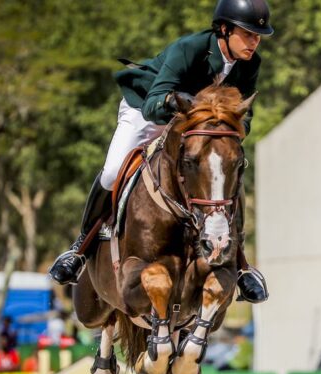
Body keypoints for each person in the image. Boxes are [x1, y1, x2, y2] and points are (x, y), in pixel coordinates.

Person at [48, 0, 272, 304]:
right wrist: (182, 104)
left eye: (257, 36)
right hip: (147, 110)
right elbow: (154, 103)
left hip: (197, 127)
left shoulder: (251, 64)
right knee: (114, 171)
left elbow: (244, 115)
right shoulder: (189, 49)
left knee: (228, 177)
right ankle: (79, 249)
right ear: (224, 29)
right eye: (247, 34)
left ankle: (242, 266)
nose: (254, 42)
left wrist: (225, 127)